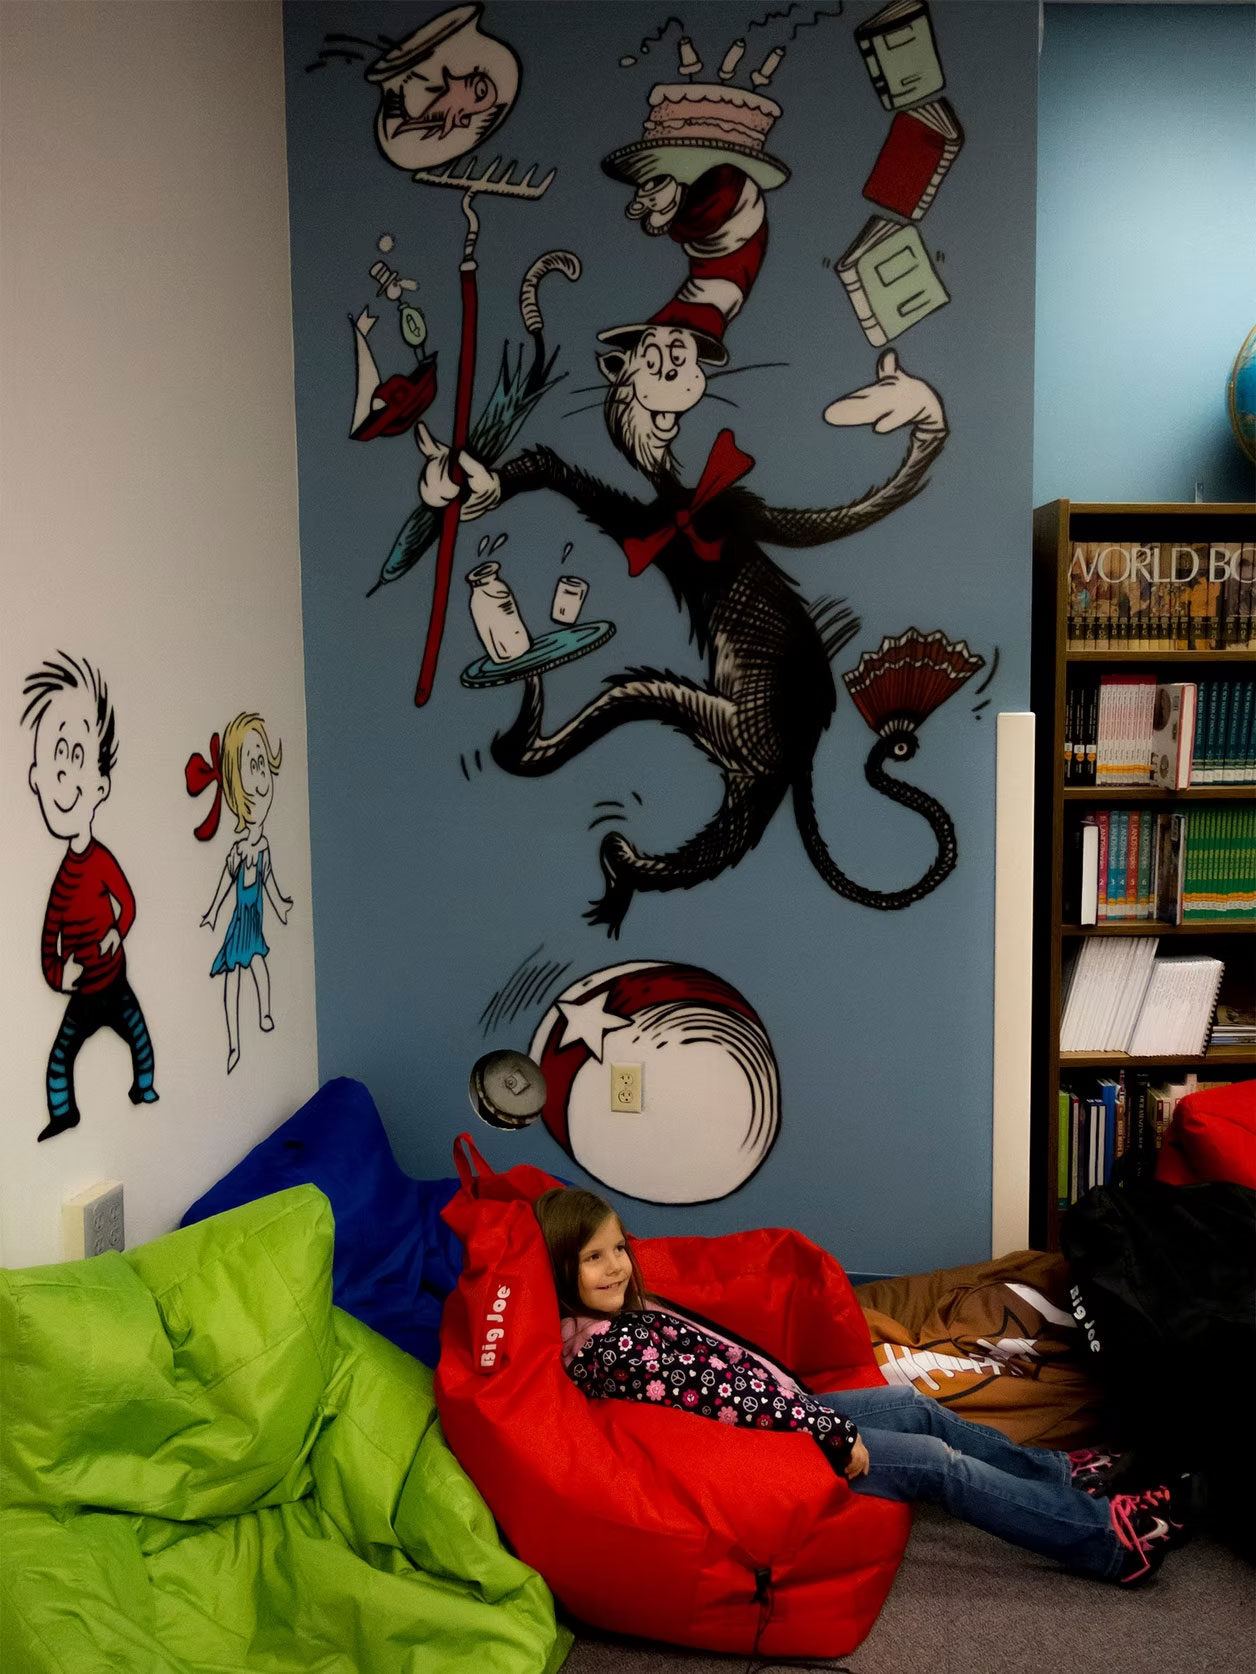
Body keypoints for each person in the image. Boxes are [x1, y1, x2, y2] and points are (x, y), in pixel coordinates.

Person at [533, 1186, 1193, 1587]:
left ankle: (1060, 1474)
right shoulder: (609, 1348)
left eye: (618, 1249)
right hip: (774, 1446)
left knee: (912, 1403)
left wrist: (806, 1405)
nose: (616, 1267)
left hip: (783, 1413)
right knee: (936, 1464)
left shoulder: (621, 1318)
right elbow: (724, 1401)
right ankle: (1105, 1542)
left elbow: (731, 1376)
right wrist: (829, 1431)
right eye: (593, 1257)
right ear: (561, 1269)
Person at [23, 653, 158, 1141]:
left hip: (114, 980)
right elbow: (49, 943)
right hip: (83, 993)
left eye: (76, 755)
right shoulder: (62, 883)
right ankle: (64, 1114)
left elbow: (128, 902)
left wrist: (116, 934)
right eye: (55, 758)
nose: (64, 774)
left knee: (139, 1039)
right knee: (60, 1058)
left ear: (99, 787)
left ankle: (144, 1087)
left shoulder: (101, 862)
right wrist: (59, 976)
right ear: (36, 779)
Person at [200, 713, 292, 1072]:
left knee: (258, 964)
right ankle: (234, 1045)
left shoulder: (263, 848)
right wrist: (212, 911)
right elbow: (226, 883)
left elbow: (269, 882)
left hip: (254, 922)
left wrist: (281, 904)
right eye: (251, 767)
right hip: (239, 923)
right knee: (232, 980)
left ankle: (265, 1012)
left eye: (262, 764)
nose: (261, 778)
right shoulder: (238, 851)